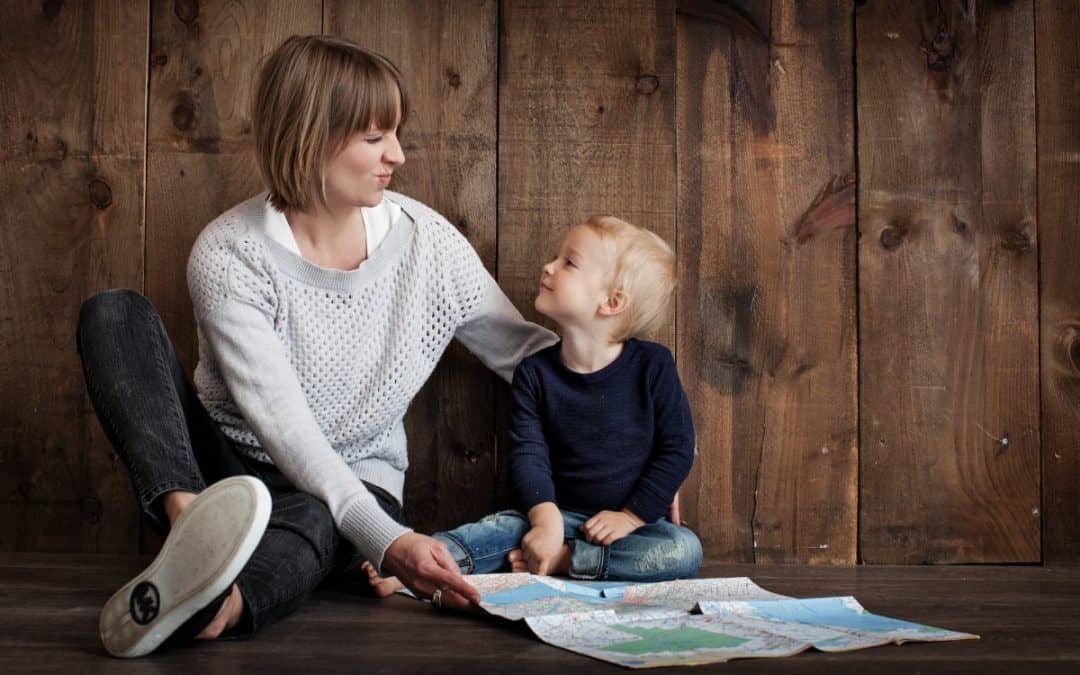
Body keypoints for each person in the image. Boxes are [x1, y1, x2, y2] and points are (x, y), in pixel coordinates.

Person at [76, 34, 558, 658]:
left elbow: (527, 355)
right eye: (375, 137)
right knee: (114, 313)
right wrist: (387, 544)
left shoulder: (427, 246)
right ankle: (192, 528)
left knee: (312, 514)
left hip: (353, 485)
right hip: (226, 471)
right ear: (313, 135)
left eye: (395, 133)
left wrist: (636, 426)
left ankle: (218, 603)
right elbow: (287, 429)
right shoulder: (229, 254)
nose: (399, 155)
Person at [366, 215, 701, 596]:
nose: (549, 266)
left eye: (568, 263)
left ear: (612, 302)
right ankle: (415, 567)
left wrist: (631, 516)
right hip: (556, 513)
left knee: (683, 550)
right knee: (496, 531)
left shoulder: (652, 366)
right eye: (556, 257)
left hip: (631, 528)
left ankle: (566, 562)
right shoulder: (535, 373)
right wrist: (545, 522)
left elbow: (676, 448)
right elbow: (529, 454)